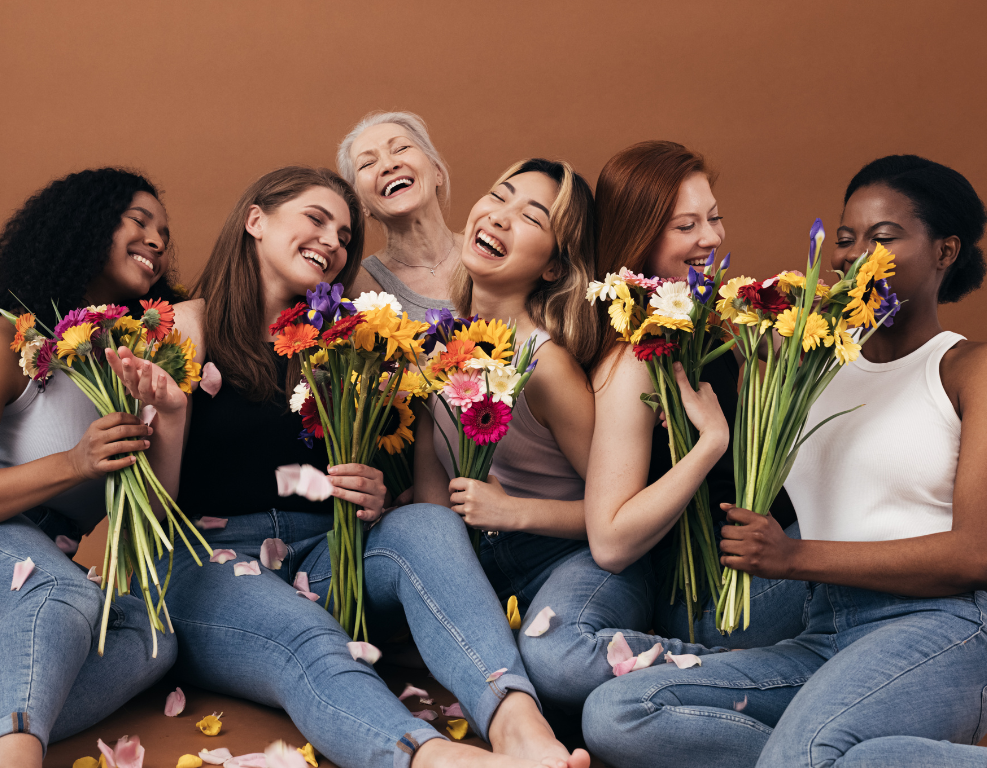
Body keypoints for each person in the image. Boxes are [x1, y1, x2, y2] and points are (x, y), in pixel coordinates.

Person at [108, 165, 590, 768]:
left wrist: (366, 492)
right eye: (316, 220)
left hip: (320, 555)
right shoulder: (183, 328)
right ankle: (437, 759)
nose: (332, 243)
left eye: (343, 236)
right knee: (311, 638)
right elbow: (148, 516)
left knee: (428, 526)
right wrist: (172, 417)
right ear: (255, 220)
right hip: (200, 567)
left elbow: (288, 477)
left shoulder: (345, 346)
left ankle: (517, 721)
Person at [581, 154, 987, 768]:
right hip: (825, 629)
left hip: (940, 627)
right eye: (846, 239)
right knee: (618, 713)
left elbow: (973, 555)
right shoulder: (810, 367)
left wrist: (792, 557)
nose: (855, 256)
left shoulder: (967, 369)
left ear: (945, 251)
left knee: (806, 755)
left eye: (883, 238)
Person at [519, 142, 807, 714]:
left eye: (714, 217)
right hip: (723, 597)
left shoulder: (712, 320)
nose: (712, 238)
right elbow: (610, 540)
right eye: (686, 225)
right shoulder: (635, 359)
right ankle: (748, 673)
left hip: (772, 557)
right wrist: (711, 444)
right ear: (641, 239)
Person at [0, 169, 180, 768]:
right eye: (139, 222)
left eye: (164, 231)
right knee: (62, 591)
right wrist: (73, 463)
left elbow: (150, 510)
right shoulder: (3, 341)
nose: (158, 241)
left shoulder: (129, 365)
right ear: (82, 227)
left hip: (44, 577)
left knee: (151, 636)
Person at [413, 157, 597, 620]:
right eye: (498, 196)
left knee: (555, 656)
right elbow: (433, 512)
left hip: (569, 560)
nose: (499, 216)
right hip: (487, 565)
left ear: (555, 266)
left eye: (532, 217)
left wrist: (512, 511)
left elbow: (622, 513)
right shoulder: (436, 353)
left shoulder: (546, 365)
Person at [337, 111, 460, 317]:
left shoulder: (490, 252)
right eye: (367, 163)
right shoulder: (355, 290)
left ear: (437, 171)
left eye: (401, 148)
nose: (388, 165)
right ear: (361, 205)